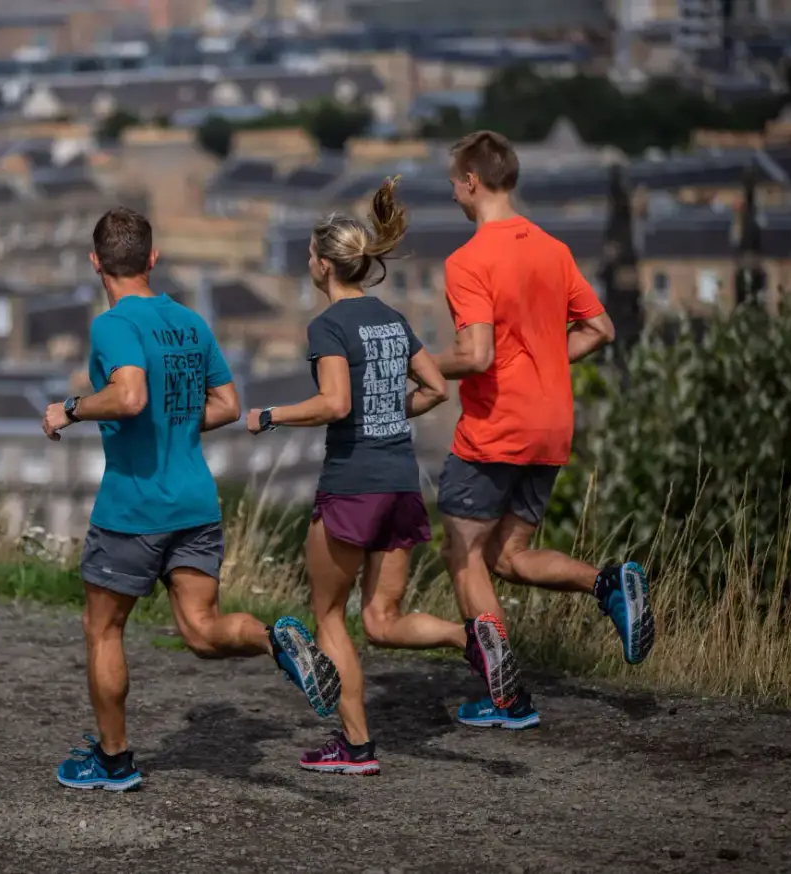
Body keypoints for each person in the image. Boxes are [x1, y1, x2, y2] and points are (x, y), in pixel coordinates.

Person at [41, 206, 341, 792]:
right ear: (153, 260)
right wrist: (173, 418)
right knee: (202, 631)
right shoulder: (190, 322)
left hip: (134, 507)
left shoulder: (112, 325)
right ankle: (274, 640)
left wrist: (71, 408)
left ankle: (114, 760)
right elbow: (228, 406)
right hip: (196, 503)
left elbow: (128, 397)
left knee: (103, 631)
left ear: (95, 262)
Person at [433, 130, 655, 730]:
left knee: (463, 553)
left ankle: (505, 695)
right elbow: (602, 328)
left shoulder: (468, 260)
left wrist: (419, 363)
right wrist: (540, 360)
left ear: (473, 182)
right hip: (552, 423)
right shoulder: (552, 249)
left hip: (496, 427)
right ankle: (609, 581)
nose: (453, 191)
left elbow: (475, 354)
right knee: (508, 555)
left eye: (455, 180)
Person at [247, 177, 462, 777]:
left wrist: (272, 416)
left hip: (352, 481)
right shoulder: (392, 319)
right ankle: (470, 635)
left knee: (330, 617)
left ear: (322, 265)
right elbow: (438, 388)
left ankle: (357, 746)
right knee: (382, 620)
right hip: (401, 481)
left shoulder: (329, 326)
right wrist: (392, 411)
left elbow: (336, 404)